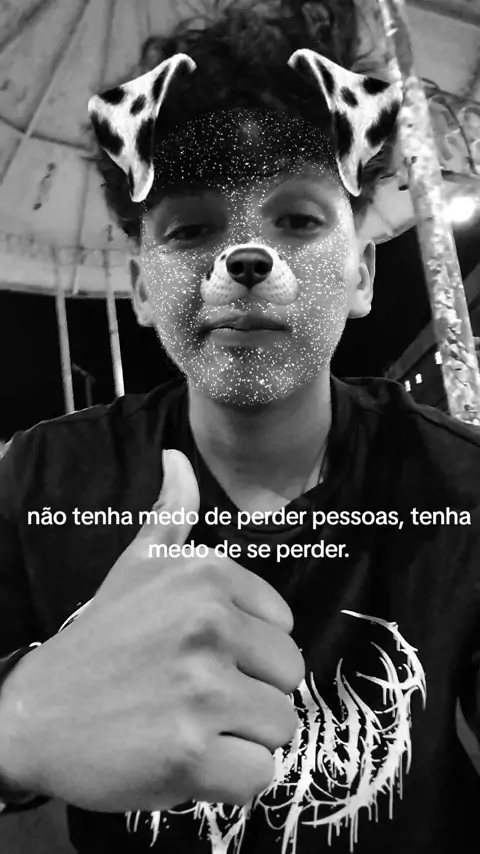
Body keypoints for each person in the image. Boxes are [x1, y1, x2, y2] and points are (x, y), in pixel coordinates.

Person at [0, 1, 479, 852]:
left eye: (298, 220)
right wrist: (15, 725)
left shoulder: (462, 484)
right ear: (142, 288)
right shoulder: (42, 479)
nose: (247, 259)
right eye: (193, 228)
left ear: (362, 275)